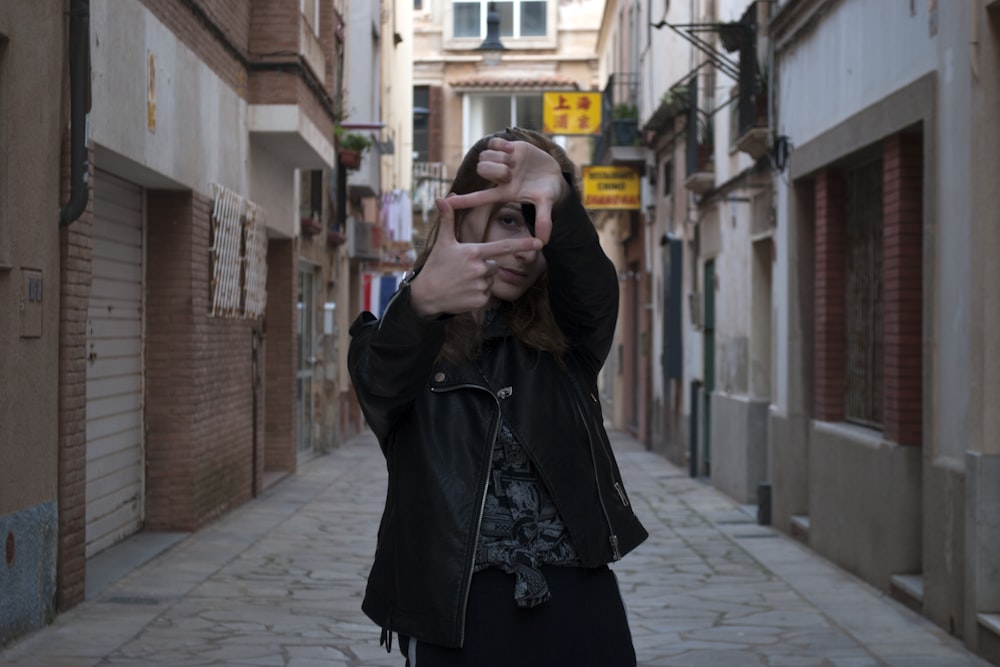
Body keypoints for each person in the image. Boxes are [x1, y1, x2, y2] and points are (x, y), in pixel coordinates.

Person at [348, 127, 648, 666]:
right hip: (458, 609)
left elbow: (595, 292)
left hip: (578, 599)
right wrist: (422, 306)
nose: (528, 247)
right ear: (462, 214)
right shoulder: (398, 336)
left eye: (542, 230)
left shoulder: (567, 340)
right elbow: (381, 383)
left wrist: (565, 201)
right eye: (511, 219)